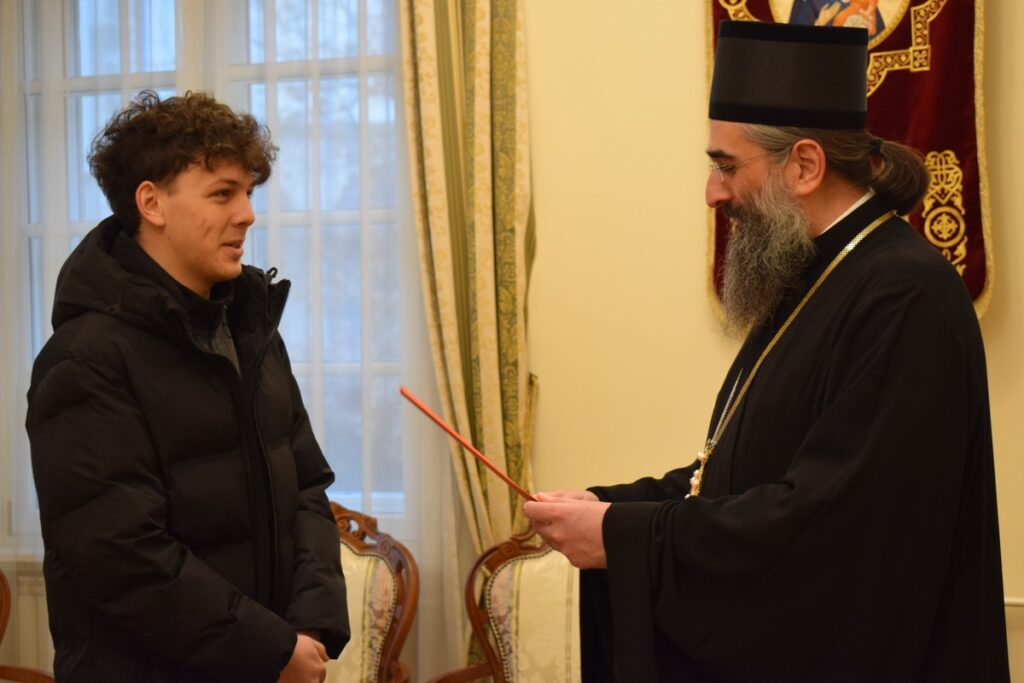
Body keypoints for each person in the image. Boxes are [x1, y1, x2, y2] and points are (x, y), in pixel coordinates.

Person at [523, 20, 1009, 682]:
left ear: (805, 165)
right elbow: (733, 474)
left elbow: (832, 527)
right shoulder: (816, 274)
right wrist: (608, 507)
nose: (712, 192)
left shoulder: (904, 295)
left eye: (727, 166)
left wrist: (624, 536)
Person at [25, 91, 349, 682]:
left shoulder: (251, 332)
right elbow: (122, 555)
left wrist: (309, 629)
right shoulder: (85, 359)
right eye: (223, 194)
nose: (247, 214)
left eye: (248, 193)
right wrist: (270, 650)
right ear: (151, 202)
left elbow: (306, 487)